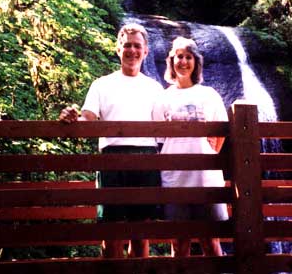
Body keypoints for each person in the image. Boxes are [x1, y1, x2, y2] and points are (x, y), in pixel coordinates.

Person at [59, 23, 163, 258]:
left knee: (140, 233)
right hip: (111, 160)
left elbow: (164, 129)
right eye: (127, 45)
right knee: (111, 231)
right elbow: (88, 118)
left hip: (146, 159)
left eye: (137, 46)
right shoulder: (101, 84)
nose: (132, 51)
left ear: (146, 51)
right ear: (118, 49)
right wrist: (72, 117)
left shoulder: (156, 88)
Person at [153, 36, 228, 257]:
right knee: (178, 242)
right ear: (171, 61)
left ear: (196, 62)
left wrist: (207, 157)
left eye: (188, 57)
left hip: (206, 179)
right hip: (174, 179)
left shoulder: (209, 94)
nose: (183, 62)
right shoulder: (163, 97)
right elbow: (159, 139)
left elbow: (220, 134)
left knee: (210, 241)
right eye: (179, 56)